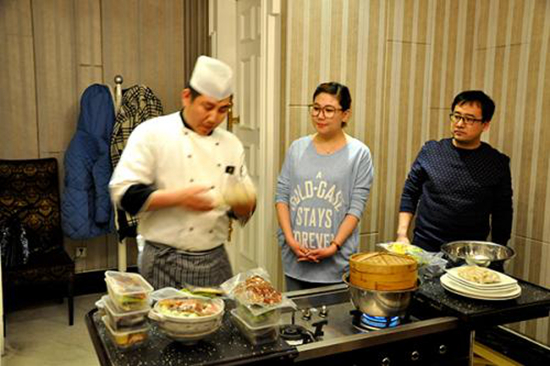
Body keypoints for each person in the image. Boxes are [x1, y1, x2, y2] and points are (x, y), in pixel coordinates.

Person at [109, 56, 256, 289]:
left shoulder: (231, 144)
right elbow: (124, 193)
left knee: (218, 324)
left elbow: (243, 205)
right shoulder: (152, 133)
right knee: (164, 324)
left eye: (223, 110)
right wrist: (180, 198)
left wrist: (242, 203)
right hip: (162, 260)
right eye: (207, 107)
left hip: (214, 259)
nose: (214, 118)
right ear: (186, 97)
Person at [275, 82, 374, 291]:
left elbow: (356, 208)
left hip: (335, 264)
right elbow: (282, 196)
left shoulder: (359, 154)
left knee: (332, 323)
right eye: (316, 108)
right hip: (296, 259)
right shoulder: (297, 148)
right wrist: (291, 241)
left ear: (345, 115)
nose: (320, 115)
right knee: (297, 321)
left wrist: (333, 246)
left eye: (329, 110)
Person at [397, 90, 513, 253]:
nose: (459, 124)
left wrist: (497, 254)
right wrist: (402, 234)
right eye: (456, 116)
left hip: (471, 252)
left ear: (485, 125)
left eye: (469, 119)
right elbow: (410, 192)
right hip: (425, 246)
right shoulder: (430, 151)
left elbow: (503, 212)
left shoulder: (496, 162)